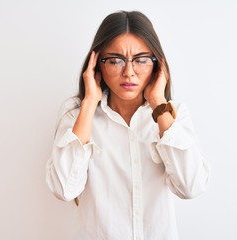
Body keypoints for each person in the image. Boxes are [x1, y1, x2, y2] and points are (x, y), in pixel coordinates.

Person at [46, 10, 210, 240]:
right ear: (97, 64)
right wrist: (90, 103)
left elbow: (190, 186)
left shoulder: (174, 115)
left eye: (141, 60)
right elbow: (64, 189)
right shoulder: (76, 116)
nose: (129, 72)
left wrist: (158, 103)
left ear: (157, 64)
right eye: (115, 60)